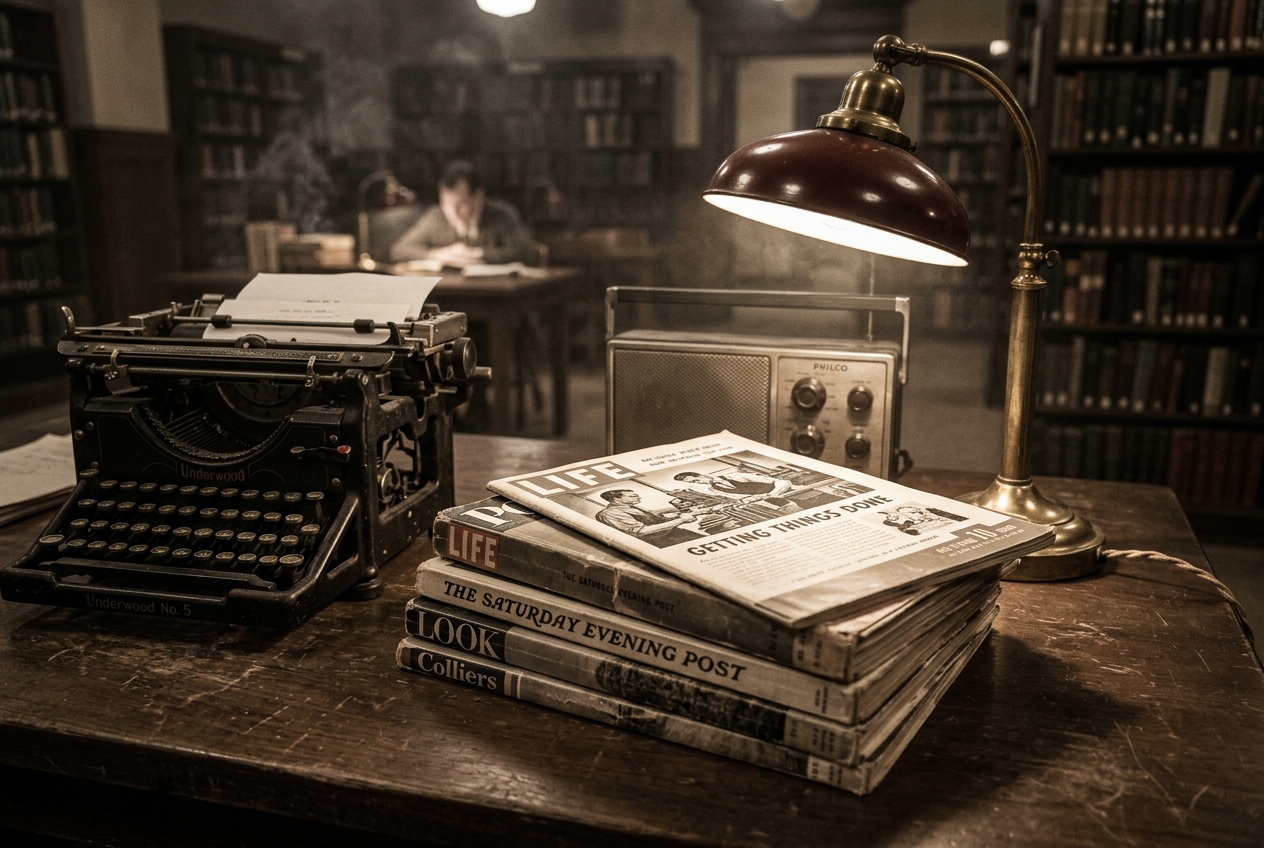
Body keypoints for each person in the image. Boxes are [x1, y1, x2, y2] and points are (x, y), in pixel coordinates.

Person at [389, 160, 534, 267]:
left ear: (478, 197)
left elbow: (523, 251)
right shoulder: (436, 216)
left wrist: (476, 254)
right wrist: (439, 254)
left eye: (462, 203)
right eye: (447, 205)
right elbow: (399, 250)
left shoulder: (501, 214)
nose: (453, 212)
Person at [594, 490, 698, 544]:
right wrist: (681, 520)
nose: (639, 497)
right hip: (660, 541)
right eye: (633, 496)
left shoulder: (629, 507)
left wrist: (676, 510)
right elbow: (641, 531)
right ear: (615, 499)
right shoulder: (610, 513)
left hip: (673, 533)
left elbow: (652, 513)